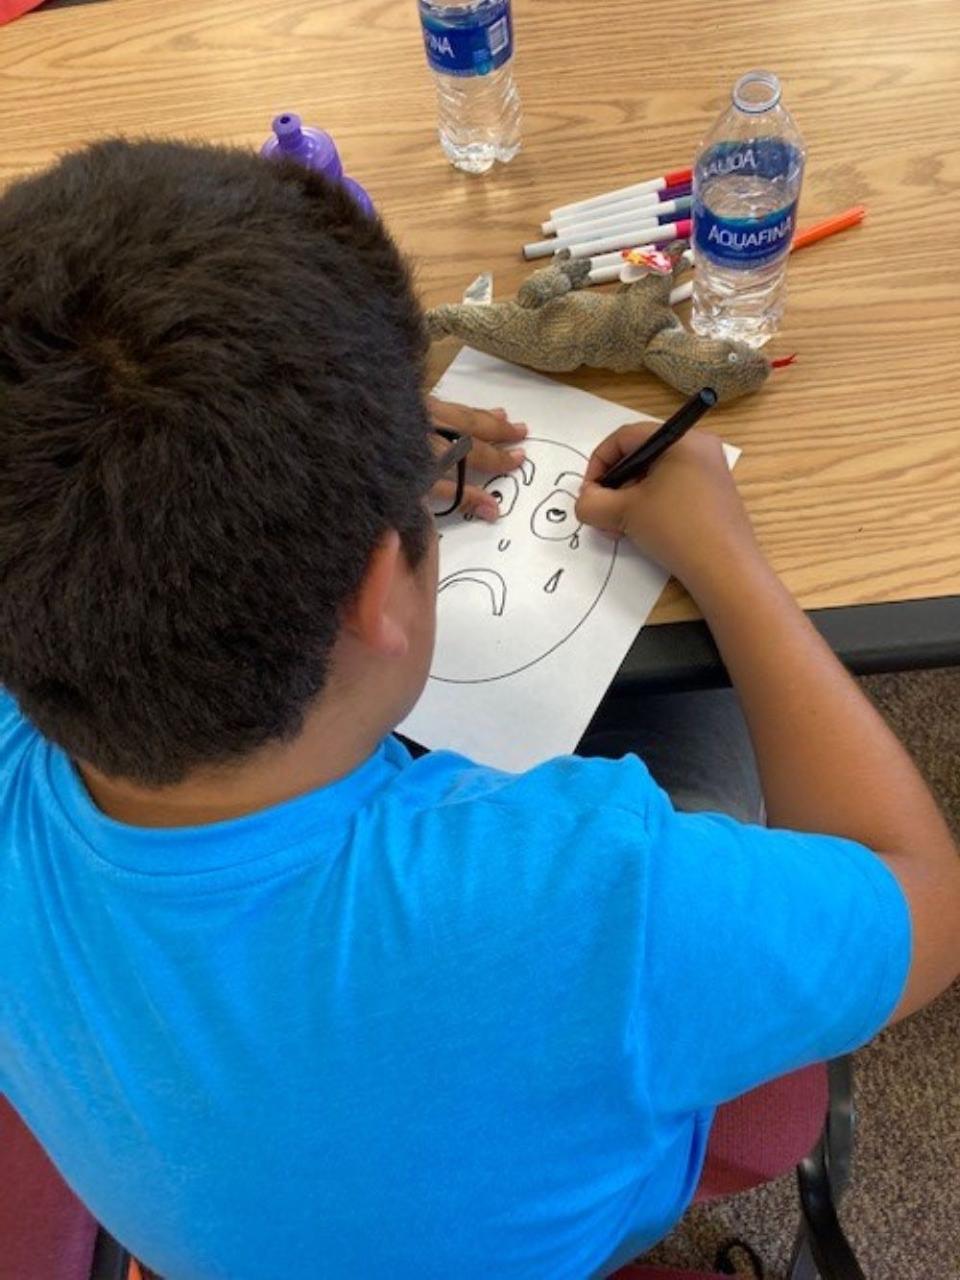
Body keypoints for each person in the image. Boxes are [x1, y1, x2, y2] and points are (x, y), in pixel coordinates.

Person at [0, 138, 956, 1280]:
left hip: (202, 1198)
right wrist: (729, 560)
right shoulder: (587, 890)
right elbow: (926, 899)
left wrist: (339, 441)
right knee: (706, 721)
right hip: (561, 1199)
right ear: (378, 593)